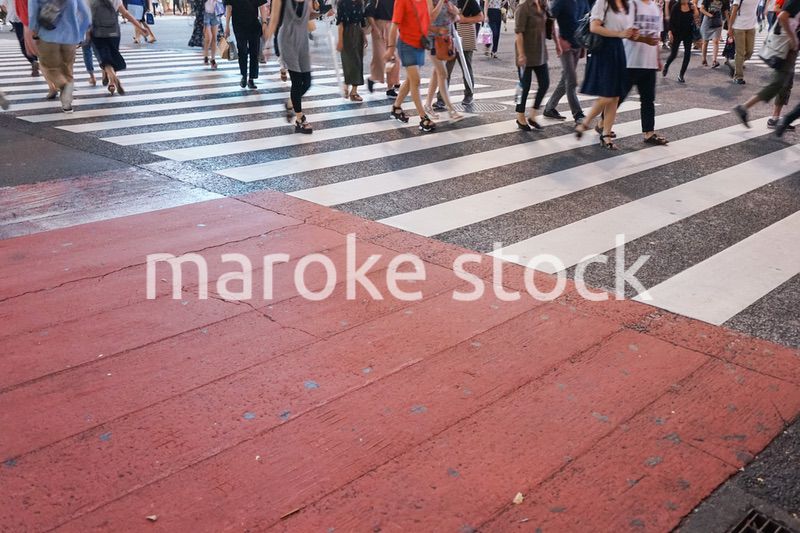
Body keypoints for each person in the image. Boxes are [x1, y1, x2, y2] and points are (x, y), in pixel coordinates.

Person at [574, 0, 636, 149]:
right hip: (604, 49)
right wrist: (619, 33)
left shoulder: (626, 4)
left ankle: (606, 135)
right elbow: (594, 27)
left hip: (618, 49)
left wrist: (630, 33)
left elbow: (623, 29)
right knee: (607, 95)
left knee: (615, 96)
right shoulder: (603, 2)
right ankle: (585, 122)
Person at [733, 0, 799, 128]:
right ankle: (744, 108)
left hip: (790, 48)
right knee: (778, 83)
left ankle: (775, 117)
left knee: (785, 83)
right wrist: (792, 38)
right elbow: (782, 16)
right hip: (786, 47)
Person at [29, 0, 90, 113]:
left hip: (48, 36)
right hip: (71, 37)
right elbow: (86, 15)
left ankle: (64, 86)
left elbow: (33, 13)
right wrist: (80, 34)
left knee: (50, 68)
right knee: (67, 69)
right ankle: (67, 104)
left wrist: (33, 30)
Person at [384, 0, 436, 131]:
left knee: (410, 80)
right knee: (416, 81)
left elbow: (430, 18)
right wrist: (390, 48)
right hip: (406, 45)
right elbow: (394, 25)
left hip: (420, 45)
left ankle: (396, 108)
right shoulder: (402, 1)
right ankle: (423, 117)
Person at [622, 0, 669, 143]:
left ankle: (649, 133)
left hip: (649, 62)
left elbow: (657, 36)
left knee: (648, 99)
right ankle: (603, 124)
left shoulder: (655, 7)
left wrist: (658, 58)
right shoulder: (632, 4)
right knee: (619, 96)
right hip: (631, 60)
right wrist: (645, 40)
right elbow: (626, 33)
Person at [266, 0, 314, 133]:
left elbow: (309, 16)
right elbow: (274, 19)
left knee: (308, 82)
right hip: (287, 40)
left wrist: (322, 12)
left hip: (302, 41)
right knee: (297, 81)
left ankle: (290, 103)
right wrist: (267, 44)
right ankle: (300, 119)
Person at [543, 0, 589, 122]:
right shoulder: (561, 1)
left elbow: (585, 23)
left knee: (566, 80)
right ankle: (578, 113)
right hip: (565, 46)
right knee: (571, 81)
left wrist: (583, 45)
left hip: (577, 45)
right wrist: (558, 41)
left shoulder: (583, 2)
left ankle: (549, 108)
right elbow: (549, 19)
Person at [90, 0, 146, 95]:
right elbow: (125, 13)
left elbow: (84, 15)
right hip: (114, 31)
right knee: (113, 55)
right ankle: (112, 83)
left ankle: (111, 75)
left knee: (104, 59)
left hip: (97, 32)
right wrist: (139, 27)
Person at [424, 0, 465, 120]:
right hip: (432, 40)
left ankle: (427, 105)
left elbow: (455, 18)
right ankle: (451, 110)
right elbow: (430, 17)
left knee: (437, 73)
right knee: (443, 74)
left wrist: (455, 12)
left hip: (445, 41)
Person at [513, 0, 549, 130]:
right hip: (525, 53)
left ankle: (533, 115)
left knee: (545, 84)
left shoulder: (543, 5)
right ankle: (520, 115)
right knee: (524, 87)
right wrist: (521, 54)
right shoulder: (523, 8)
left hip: (540, 53)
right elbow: (519, 33)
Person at [224, 0, 269, 89]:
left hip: (254, 24)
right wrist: (227, 26)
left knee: (254, 51)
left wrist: (264, 22)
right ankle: (244, 76)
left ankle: (251, 78)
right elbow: (229, 7)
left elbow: (262, 6)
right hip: (238, 24)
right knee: (242, 50)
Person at [365, 0, 402, 96]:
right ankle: (373, 78)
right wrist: (375, 28)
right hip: (378, 26)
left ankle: (391, 86)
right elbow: (369, 13)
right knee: (380, 57)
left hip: (392, 26)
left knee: (394, 58)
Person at [337, 0, 368, 101]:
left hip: (358, 33)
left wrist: (364, 36)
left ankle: (354, 91)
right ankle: (346, 85)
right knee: (349, 62)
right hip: (346, 33)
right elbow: (340, 23)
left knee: (358, 62)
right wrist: (340, 40)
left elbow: (362, 21)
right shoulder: (342, 3)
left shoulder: (360, 3)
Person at [662, 0, 697, 81]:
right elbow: (671, 21)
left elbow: (696, 16)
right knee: (674, 54)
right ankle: (666, 65)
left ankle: (681, 75)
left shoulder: (691, 6)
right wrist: (670, 33)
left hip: (688, 33)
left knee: (687, 54)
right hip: (677, 33)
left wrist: (695, 8)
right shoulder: (676, 6)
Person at [729, 0, 758, 83]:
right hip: (739, 27)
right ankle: (738, 77)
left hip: (751, 26)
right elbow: (734, 11)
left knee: (750, 52)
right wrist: (730, 28)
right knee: (740, 53)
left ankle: (734, 63)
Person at [7, 0, 39, 76]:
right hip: (28, 19)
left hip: (18, 18)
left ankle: (33, 61)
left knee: (23, 43)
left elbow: (3, 5)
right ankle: (35, 60)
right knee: (31, 42)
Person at [202, 0, 221, 68]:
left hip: (215, 13)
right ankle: (206, 56)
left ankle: (213, 59)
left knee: (214, 39)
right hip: (206, 14)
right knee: (208, 38)